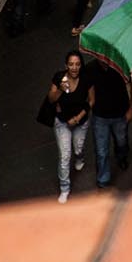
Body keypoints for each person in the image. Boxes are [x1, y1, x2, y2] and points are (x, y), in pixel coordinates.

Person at [45, 51, 91, 204]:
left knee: (78, 147)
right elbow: (51, 99)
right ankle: (65, 188)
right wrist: (59, 89)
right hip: (62, 122)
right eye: (71, 64)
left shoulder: (86, 79)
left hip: (80, 121)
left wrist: (77, 118)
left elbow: (91, 101)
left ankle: (80, 157)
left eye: (77, 64)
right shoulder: (59, 78)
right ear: (66, 66)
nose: (74, 67)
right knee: (65, 156)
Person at [88, 60, 132, 189]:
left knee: (121, 141)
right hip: (100, 116)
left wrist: (131, 108)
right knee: (101, 150)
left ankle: (121, 157)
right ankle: (103, 179)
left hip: (120, 113)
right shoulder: (91, 68)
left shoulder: (121, 65)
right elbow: (88, 89)